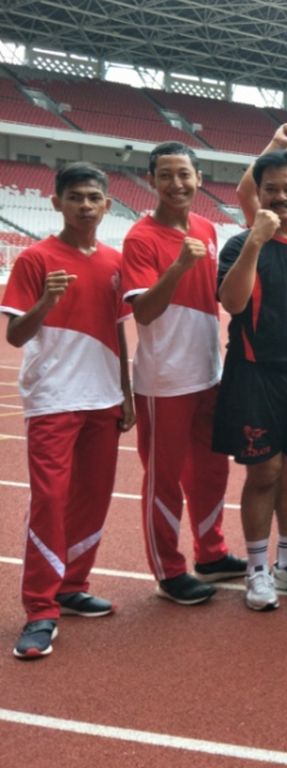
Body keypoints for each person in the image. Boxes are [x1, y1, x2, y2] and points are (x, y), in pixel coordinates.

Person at [4, 163, 135, 659]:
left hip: (103, 397)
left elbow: (121, 330)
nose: (85, 205)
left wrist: (126, 393)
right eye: (76, 197)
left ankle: (71, 585)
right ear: (56, 202)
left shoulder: (114, 262)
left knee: (93, 498)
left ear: (106, 204)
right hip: (54, 399)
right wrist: (45, 302)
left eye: (94, 197)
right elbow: (16, 335)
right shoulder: (36, 260)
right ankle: (40, 609)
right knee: (50, 500)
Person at [120, 141, 244, 605]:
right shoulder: (140, 238)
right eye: (166, 175)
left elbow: (217, 297)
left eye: (184, 175)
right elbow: (145, 313)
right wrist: (178, 267)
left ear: (199, 180)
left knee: (212, 472)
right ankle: (169, 570)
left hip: (206, 374)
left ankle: (211, 554)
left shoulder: (207, 228)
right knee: (164, 478)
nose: (177, 184)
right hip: (164, 381)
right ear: (151, 181)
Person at [214, 149, 287, 611]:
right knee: (265, 472)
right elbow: (233, 303)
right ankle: (256, 569)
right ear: (258, 193)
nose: (281, 197)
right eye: (271, 189)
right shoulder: (240, 245)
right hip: (255, 374)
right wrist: (257, 242)